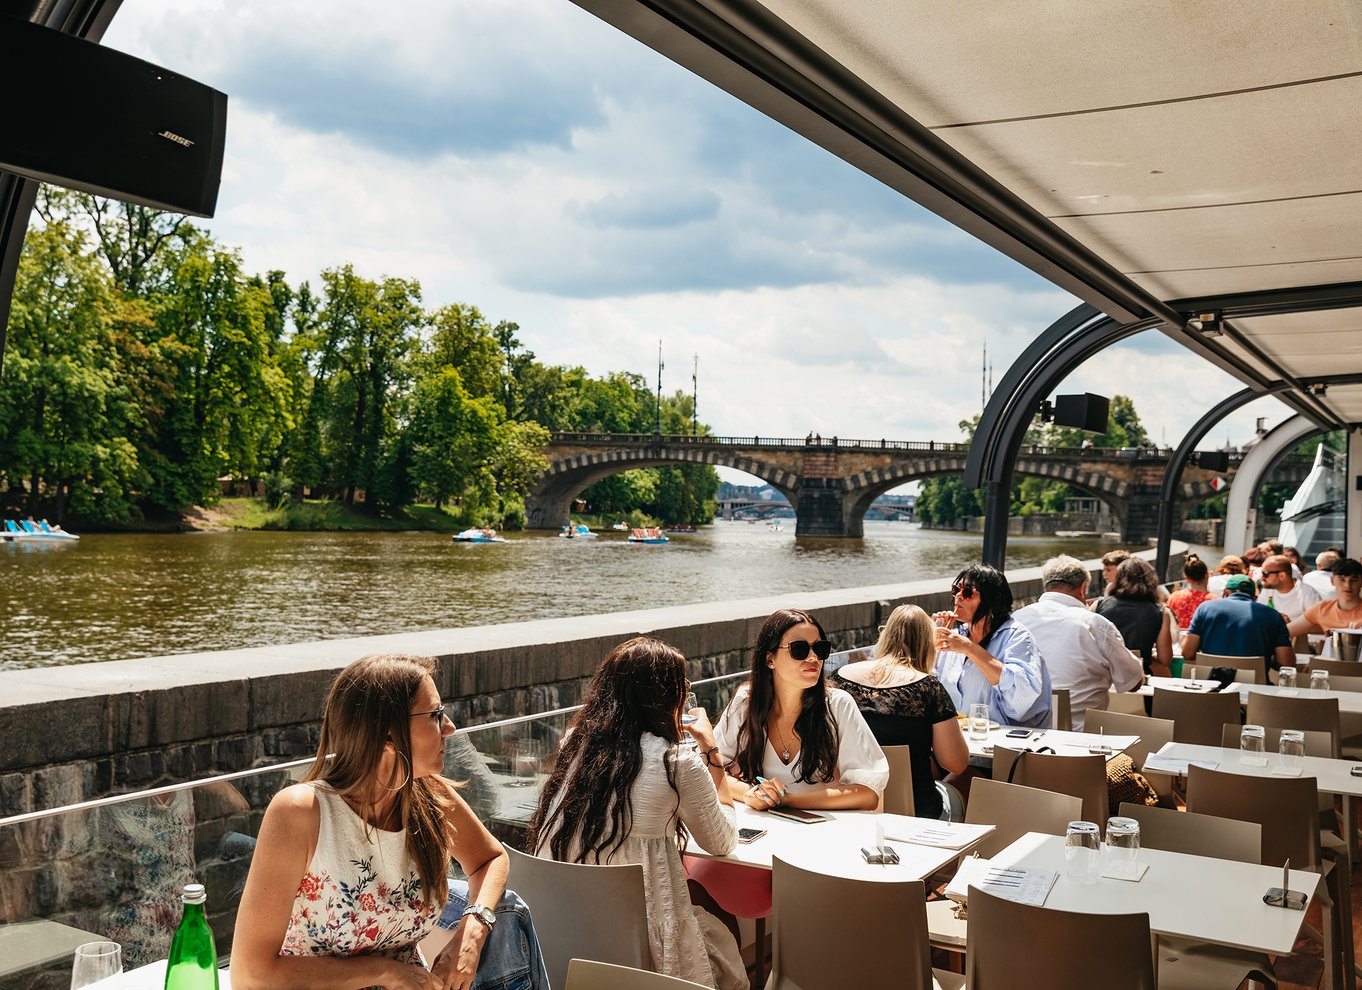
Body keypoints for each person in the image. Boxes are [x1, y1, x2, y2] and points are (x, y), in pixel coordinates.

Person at [232, 653, 537, 990]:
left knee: (512, 911)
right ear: (388, 735)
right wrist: (385, 972)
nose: (449, 727)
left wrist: (473, 929)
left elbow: (490, 859)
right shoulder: (300, 813)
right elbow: (251, 975)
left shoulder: (429, 797)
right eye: (436, 715)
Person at [529, 637, 745, 990]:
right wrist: (710, 749)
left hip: (569, 931)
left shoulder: (574, 744)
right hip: (645, 948)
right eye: (682, 685)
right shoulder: (675, 761)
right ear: (665, 696)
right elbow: (722, 841)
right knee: (721, 918)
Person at [712, 608, 888, 810]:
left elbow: (868, 794)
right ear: (770, 659)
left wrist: (785, 800)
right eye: (799, 649)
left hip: (825, 830)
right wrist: (752, 794)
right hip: (766, 827)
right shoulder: (746, 702)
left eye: (820, 649)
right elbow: (712, 769)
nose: (813, 657)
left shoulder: (838, 705)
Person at [831, 604, 968, 818]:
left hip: (850, 806)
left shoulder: (839, 678)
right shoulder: (928, 688)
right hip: (916, 811)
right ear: (927, 644)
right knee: (957, 793)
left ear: (885, 635)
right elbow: (956, 763)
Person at [1013, 556, 1143, 730]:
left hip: (1018, 743)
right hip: (1081, 745)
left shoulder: (1016, 621)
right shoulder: (1096, 625)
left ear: (1046, 585)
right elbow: (1133, 683)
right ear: (1082, 588)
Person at [932, 563, 1051, 728]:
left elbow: (1023, 697)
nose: (958, 596)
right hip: (956, 742)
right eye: (956, 590)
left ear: (990, 600)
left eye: (967, 592)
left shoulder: (1017, 636)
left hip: (1000, 746)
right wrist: (933, 642)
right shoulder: (956, 636)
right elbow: (930, 688)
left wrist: (971, 649)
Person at [1182, 575, 1293, 672]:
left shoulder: (1205, 608)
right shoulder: (1273, 615)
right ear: (1254, 597)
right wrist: (1267, 657)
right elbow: (1286, 663)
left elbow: (1187, 653)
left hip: (1210, 686)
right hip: (1254, 689)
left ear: (1225, 592)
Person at [1094, 557, 1175, 678]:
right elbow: (1165, 659)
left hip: (1103, 678)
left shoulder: (1099, 605)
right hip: (1139, 678)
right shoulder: (1161, 613)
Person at [1289, 557, 1362, 638]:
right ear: (1332, 580)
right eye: (1342, 580)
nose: (1347, 586)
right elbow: (1286, 632)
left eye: (1354, 580)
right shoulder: (1323, 608)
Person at [1257, 553, 1322, 624]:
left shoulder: (1308, 593)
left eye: (1265, 573)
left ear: (1282, 575)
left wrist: (1290, 624)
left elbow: (1320, 624)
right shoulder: (1267, 590)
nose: (1262, 578)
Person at [1166, 552, 1214, 630]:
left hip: (1180, 639)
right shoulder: (1214, 600)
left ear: (1187, 579)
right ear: (1206, 576)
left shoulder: (1174, 597)